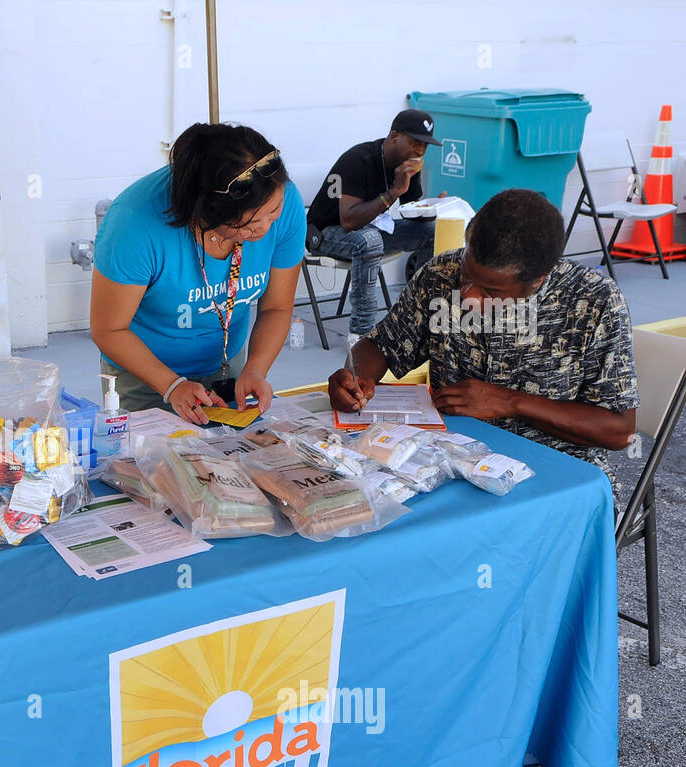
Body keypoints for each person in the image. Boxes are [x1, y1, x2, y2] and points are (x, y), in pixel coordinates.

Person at [328, 188, 638, 488]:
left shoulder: (594, 302)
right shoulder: (440, 274)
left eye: (490, 291)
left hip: (554, 475)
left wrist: (511, 402)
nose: (468, 296)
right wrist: (356, 377)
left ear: (536, 282)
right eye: (466, 276)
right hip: (449, 461)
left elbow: (618, 431)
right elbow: (381, 344)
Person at [91, 122, 306, 425]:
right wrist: (172, 385)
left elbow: (277, 306)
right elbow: (108, 329)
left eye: (275, 213)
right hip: (143, 375)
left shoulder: (280, 198)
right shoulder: (133, 223)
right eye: (249, 226)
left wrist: (256, 369)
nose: (267, 229)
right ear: (206, 211)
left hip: (227, 369)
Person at [306, 109, 442, 337]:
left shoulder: (408, 163)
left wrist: (434, 208)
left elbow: (412, 210)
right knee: (369, 241)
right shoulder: (358, 160)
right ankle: (363, 335)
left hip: (373, 229)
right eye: (415, 142)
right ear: (395, 135)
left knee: (432, 230)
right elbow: (349, 221)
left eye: (425, 145)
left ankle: (416, 316)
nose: (420, 150)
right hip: (324, 233)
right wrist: (394, 191)